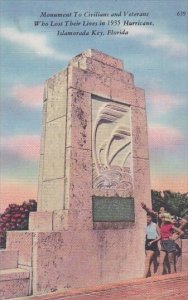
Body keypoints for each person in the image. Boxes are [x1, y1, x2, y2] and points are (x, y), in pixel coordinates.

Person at [144, 213, 161, 277]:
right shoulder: (146, 225)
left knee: (147, 259)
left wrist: (153, 241)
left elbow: (160, 236)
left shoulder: (155, 225)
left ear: (151, 218)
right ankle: (151, 274)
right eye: (146, 217)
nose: (147, 219)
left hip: (153, 242)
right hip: (147, 243)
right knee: (150, 259)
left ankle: (144, 276)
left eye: (148, 217)